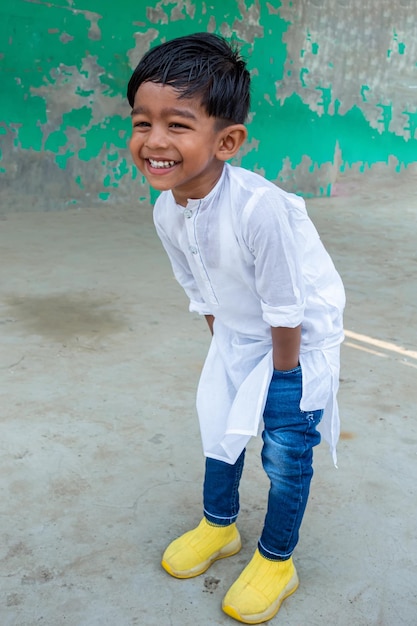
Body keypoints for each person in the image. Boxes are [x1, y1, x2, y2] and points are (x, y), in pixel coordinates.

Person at [127, 32, 345, 624]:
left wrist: (283, 379)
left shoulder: (259, 209)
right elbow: (202, 291)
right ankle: (219, 527)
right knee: (218, 425)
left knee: (285, 451)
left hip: (298, 343)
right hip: (240, 334)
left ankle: (277, 561)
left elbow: (286, 306)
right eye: (142, 122)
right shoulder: (166, 207)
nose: (155, 141)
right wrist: (225, 356)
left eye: (177, 124)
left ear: (227, 141)